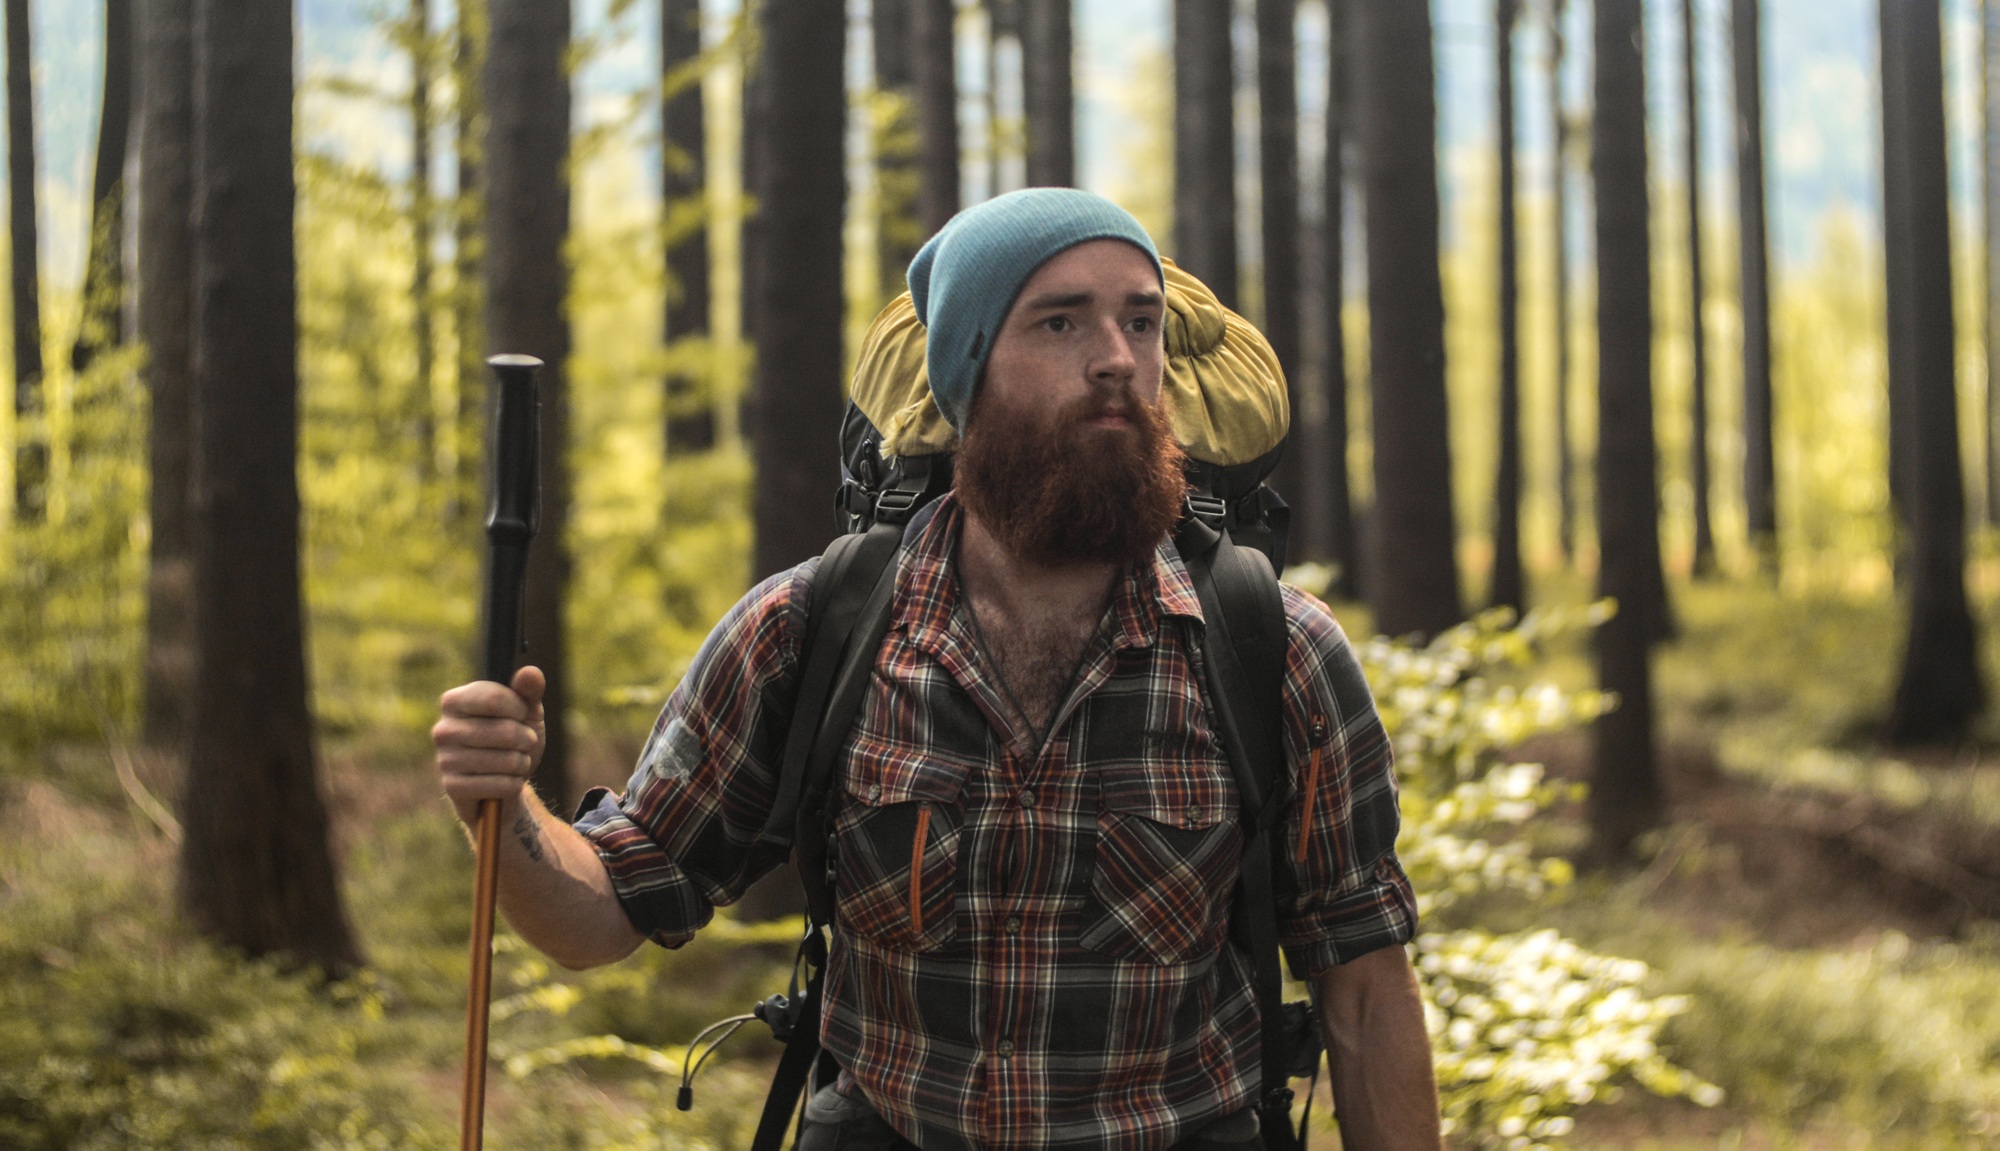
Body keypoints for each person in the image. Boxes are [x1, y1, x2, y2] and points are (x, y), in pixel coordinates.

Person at [433, 189, 1441, 1151]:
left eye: (1140, 322)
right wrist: (504, 805)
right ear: (967, 373)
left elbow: (1363, 992)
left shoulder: (1273, 649)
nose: (1117, 359)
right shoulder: (810, 630)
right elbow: (605, 908)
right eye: (1059, 322)